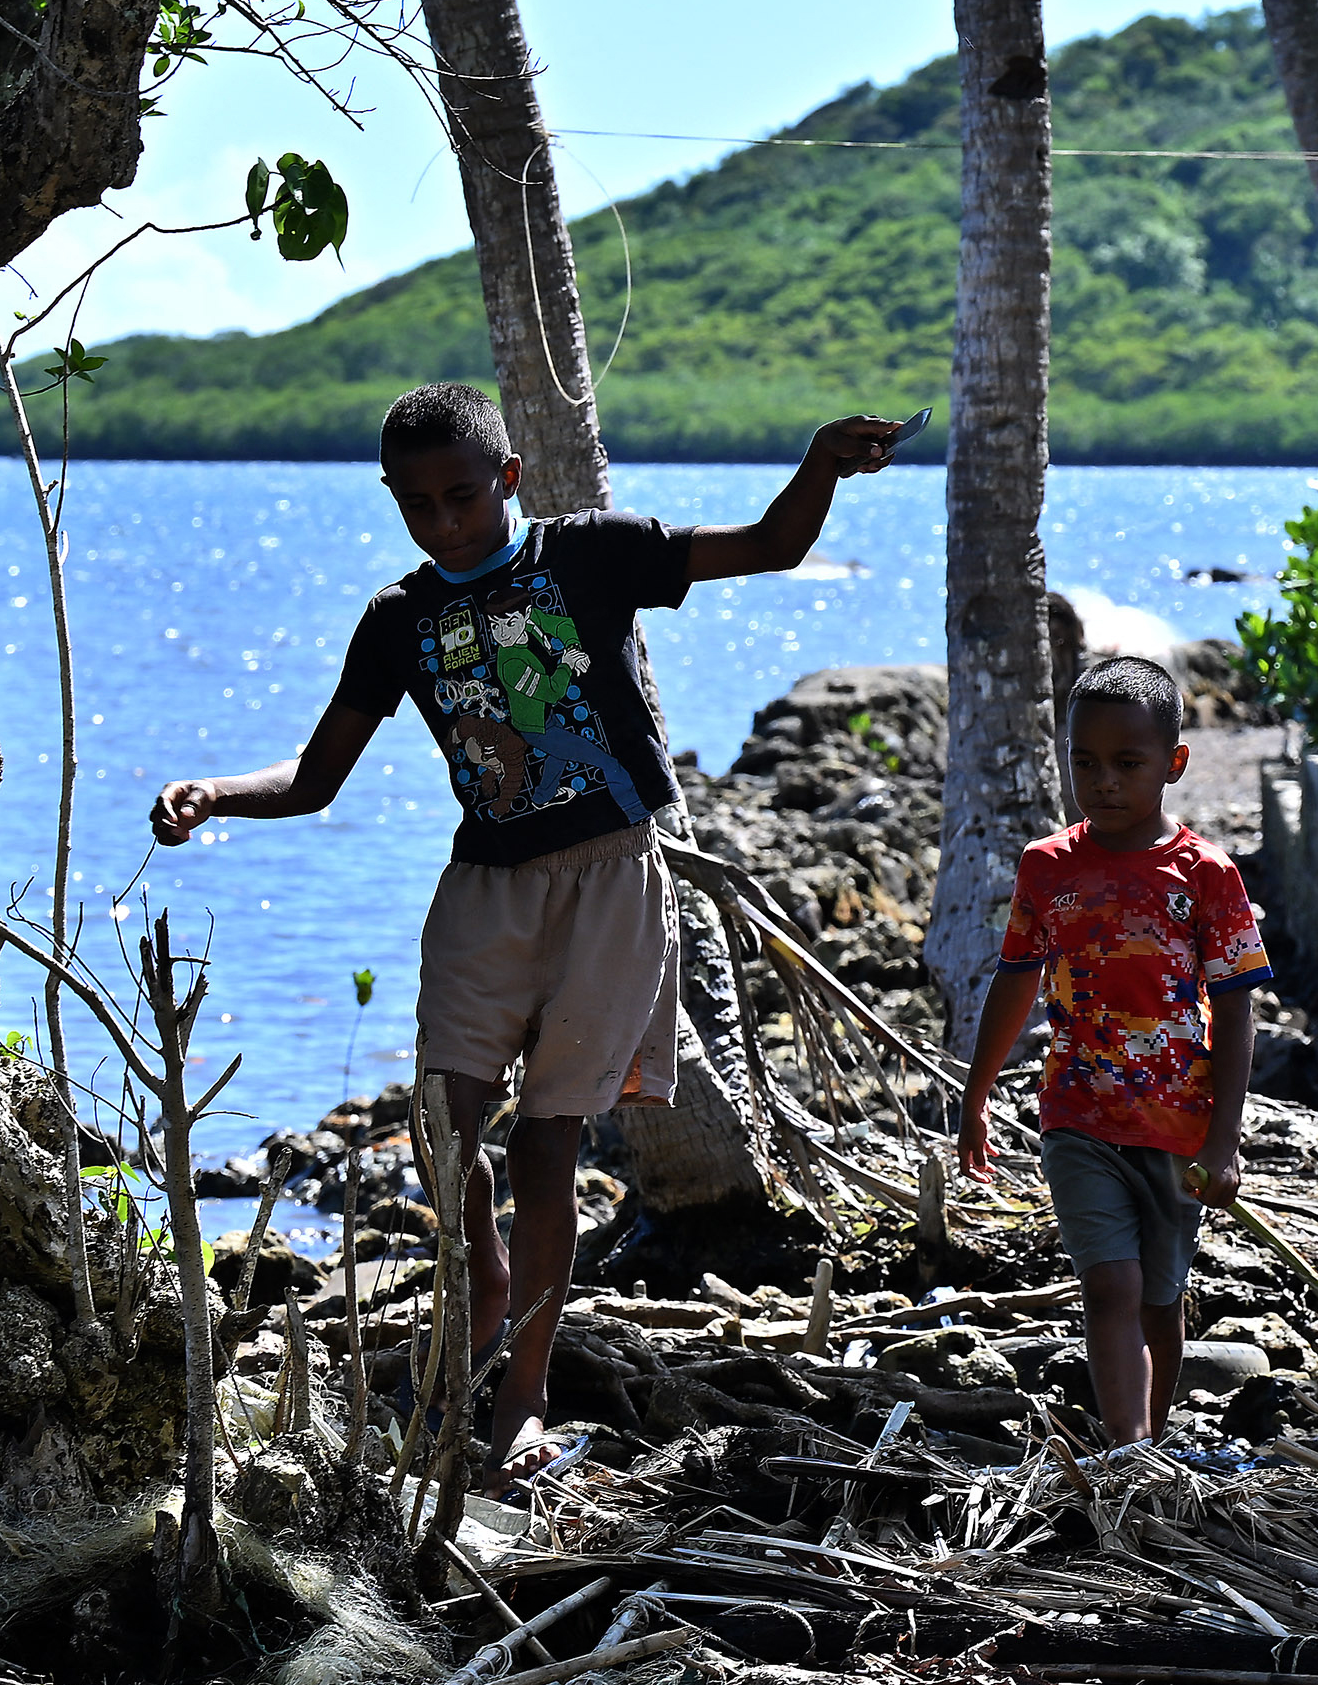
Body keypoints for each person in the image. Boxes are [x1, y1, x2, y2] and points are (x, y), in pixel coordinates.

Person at [154, 384, 908, 1446]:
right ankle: (485, 1276)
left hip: (609, 884)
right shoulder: (398, 620)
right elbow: (319, 776)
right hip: (485, 893)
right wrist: (215, 793)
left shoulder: (591, 553)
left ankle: (525, 1390)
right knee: (443, 1124)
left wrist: (822, 464)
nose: (443, 521)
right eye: (415, 505)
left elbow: (772, 546)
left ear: (508, 479)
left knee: (547, 1153)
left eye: (461, 496)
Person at [958, 658, 1271, 1447]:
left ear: (1173, 764)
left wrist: (1224, 1141)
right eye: (1085, 762)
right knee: (1110, 1283)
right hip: (1078, 1115)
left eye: (1127, 764)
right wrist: (977, 1091)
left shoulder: (1206, 876)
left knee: (1162, 1304)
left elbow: (1237, 1009)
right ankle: (1126, 1451)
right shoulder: (1048, 866)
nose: (1104, 782)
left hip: (1177, 1130)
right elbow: (1016, 979)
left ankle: (1152, 1444)